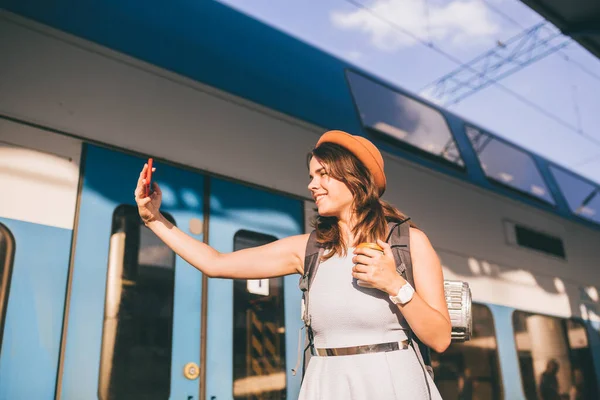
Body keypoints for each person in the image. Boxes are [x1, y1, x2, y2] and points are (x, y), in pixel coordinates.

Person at [134, 130, 451, 399]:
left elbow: (439, 338)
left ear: (356, 178)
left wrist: (394, 284)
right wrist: (154, 219)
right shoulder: (309, 249)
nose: (312, 185)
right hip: (326, 385)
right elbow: (215, 264)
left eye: (323, 174)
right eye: (311, 177)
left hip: (393, 385)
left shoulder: (408, 243)